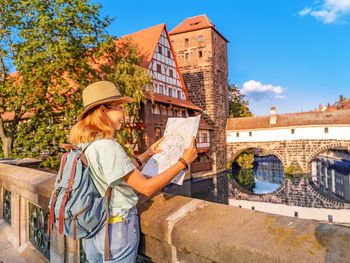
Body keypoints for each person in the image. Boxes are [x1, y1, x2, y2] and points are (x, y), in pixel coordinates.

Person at [69, 81, 197, 263]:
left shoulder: (85, 145)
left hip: (92, 228)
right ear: (103, 110)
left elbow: (115, 172)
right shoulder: (108, 146)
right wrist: (183, 161)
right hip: (116, 229)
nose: (124, 113)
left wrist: (148, 153)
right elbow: (146, 188)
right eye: (120, 107)